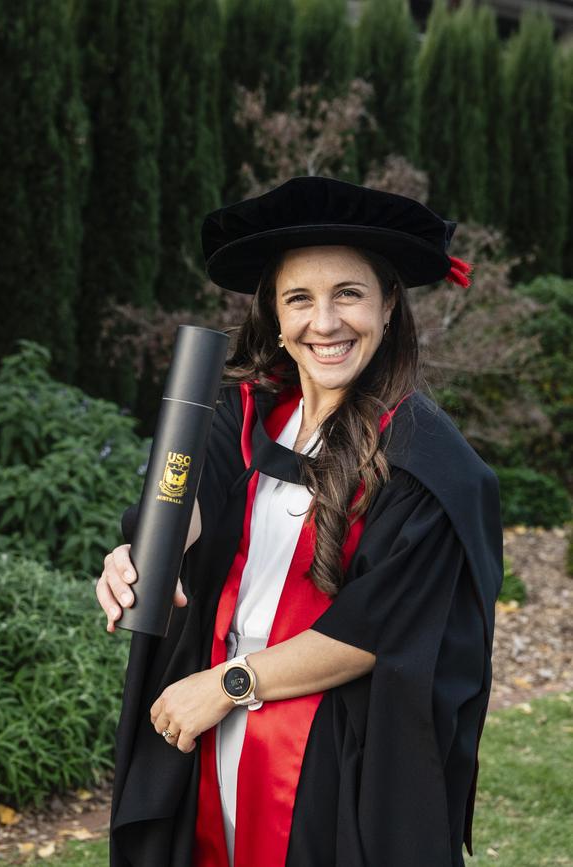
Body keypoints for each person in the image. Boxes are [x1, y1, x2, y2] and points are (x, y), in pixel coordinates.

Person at [97, 176, 503, 867]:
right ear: (276, 319)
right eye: (300, 299)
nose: (325, 322)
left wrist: (225, 684)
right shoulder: (250, 413)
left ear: (388, 303)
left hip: (330, 752)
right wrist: (142, 551)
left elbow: (378, 628)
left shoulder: (424, 459)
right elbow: (191, 498)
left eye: (348, 293)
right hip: (212, 742)